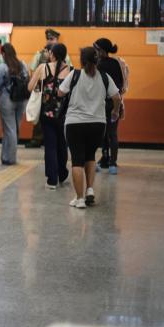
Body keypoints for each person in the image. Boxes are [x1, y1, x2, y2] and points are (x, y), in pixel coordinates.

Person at [58, 47, 121, 209]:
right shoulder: (104, 77)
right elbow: (116, 97)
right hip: (98, 124)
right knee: (90, 156)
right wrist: (115, 111)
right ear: (97, 60)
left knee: (77, 160)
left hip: (75, 123)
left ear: (81, 60)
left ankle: (80, 199)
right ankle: (90, 190)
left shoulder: (75, 74)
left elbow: (60, 92)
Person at [28, 43, 71, 189]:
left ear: (52, 54)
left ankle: (52, 180)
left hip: (47, 113)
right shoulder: (70, 70)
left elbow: (30, 87)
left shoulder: (43, 68)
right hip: (64, 114)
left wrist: (42, 86)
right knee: (62, 144)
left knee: (50, 146)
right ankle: (62, 173)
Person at [27, 29, 71, 148]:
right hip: (44, 95)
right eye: (48, 39)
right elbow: (33, 70)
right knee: (41, 122)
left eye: (52, 39)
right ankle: (37, 139)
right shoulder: (40, 54)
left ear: (57, 40)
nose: (49, 41)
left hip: (59, 101)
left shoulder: (65, 56)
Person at [0, 43, 29, 165]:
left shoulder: (2, 67)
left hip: (7, 99)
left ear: (3, 54)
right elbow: (27, 80)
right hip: (22, 99)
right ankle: (6, 156)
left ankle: (10, 158)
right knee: (15, 128)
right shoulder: (23, 65)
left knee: (9, 129)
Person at [94, 38, 127, 174]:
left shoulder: (98, 65)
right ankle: (112, 163)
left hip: (101, 104)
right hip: (115, 103)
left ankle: (105, 158)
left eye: (96, 49)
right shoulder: (116, 63)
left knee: (102, 133)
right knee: (112, 133)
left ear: (101, 50)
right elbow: (121, 84)